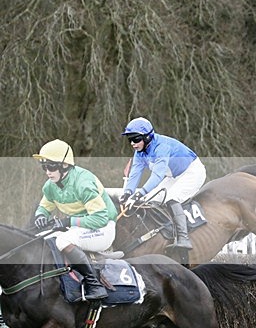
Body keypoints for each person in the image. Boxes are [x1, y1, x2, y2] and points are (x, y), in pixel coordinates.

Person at [32, 139, 117, 301]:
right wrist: (40, 216)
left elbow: (100, 218)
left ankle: (95, 285)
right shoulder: (50, 186)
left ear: (64, 165)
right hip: (79, 229)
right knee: (41, 238)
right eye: (44, 167)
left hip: (103, 229)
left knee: (63, 240)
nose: (47, 172)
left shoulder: (83, 183)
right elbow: (44, 207)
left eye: (51, 166)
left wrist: (67, 222)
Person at [120, 117, 206, 250]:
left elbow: (157, 176)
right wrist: (128, 192)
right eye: (129, 139)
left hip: (192, 172)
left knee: (172, 197)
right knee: (147, 200)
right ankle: (163, 231)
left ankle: (183, 238)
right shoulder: (140, 152)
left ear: (147, 137)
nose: (132, 143)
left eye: (136, 139)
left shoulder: (162, 147)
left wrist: (140, 192)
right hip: (173, 176)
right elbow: (135, 173)